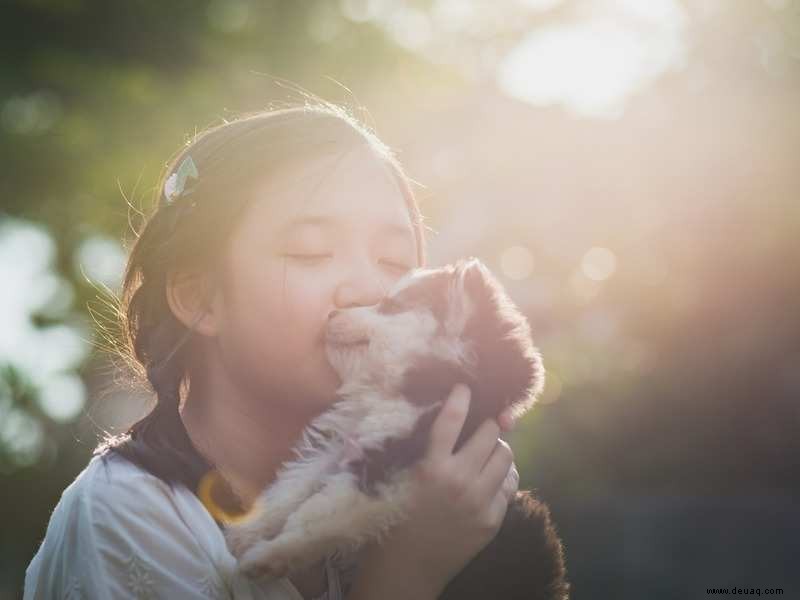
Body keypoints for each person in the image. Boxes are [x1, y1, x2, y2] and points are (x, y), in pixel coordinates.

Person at [23, 102, 544, 599]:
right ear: (199, 297)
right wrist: (409, 573)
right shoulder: (129, 515)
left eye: (394, 261)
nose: (367, 289)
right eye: (311, 251)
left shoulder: (432, 498)